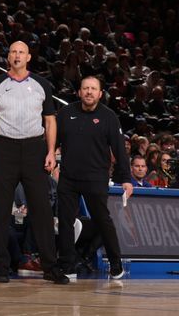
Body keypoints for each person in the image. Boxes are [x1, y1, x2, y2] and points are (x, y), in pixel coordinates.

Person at [0, 41, 69, 284]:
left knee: (41, 210)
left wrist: (51, 151)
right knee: (2, 211)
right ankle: (1, 267)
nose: (17, 55)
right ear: (8, 57)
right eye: (13, 52)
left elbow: (50, 120)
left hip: (34, 148)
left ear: (28, 57)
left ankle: (50, 266)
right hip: (4, 148)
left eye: (21, 52)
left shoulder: (41, 84)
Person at [56, 76, 133, 279]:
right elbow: (51, 142)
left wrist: (126, 178)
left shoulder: (109, 117)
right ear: (79, 92)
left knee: (102, 219)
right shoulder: (65, 113)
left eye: (93, 89)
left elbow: (119, 149)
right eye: (85, 88)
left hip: (96, 176)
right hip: (68, 176)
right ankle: (67, 265)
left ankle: (116, 263)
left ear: (100, 93)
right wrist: (49, 160)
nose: (89, 92)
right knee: (65, 220)